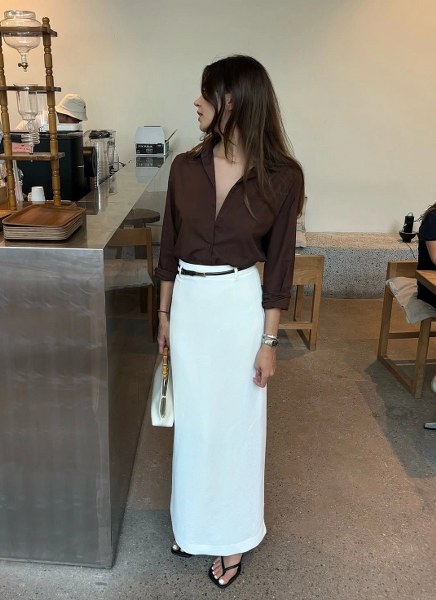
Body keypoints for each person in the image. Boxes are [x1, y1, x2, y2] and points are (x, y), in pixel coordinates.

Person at [155, 55, 304, 589]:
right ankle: (193, 524)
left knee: (238, 426)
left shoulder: (282, 177)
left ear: (233, 101)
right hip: (190, 306)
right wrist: (164, 313)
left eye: (207, 93)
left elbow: (280, 266)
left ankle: (234, 535)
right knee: (195, 427)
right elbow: (168, 246)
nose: (197, 102)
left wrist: (269, 341)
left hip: (240, 306)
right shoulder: (184, 167)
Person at [14, 93, 88, 130]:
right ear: (63, 114)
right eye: (75, 121)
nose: (77, 124)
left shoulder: (59, 125)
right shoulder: (42, 120)